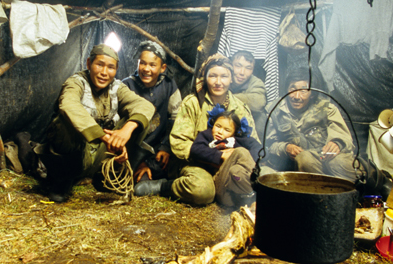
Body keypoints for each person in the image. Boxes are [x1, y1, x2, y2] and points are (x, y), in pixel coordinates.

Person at [136, 54, 258, 207]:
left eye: (224, 76)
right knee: (202, 191)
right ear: (205, 78)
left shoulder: (240, 108)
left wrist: (236, 157)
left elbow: (254, 143)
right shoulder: (193, 103)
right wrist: (216, 156)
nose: (218, 82)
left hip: (231, 165)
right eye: (213, 76)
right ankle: (165, 186)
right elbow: (179, 143)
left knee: (265, 177)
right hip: (196, 164)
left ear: (231, 78)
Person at [37, 44, 155, 202]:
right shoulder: (76, 82)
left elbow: (145, 106)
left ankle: (108, 174)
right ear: (88, 64)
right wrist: (105, 138)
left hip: (100, 153)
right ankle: (63, 180)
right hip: (75, 153)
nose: (104, 73)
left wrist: (127, 130)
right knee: (65, 121)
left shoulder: (117, 87)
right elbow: (68, 105)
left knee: (139, 120)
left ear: (116, 69)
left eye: (111, 67)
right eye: (99, 65)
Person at [264, 67, 357, 181]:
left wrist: (337, 143)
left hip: (326, 158)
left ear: (312, 94)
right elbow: (268, 144)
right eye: (292, 89)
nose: (297, 97)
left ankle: (368, 183)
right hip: (297, 164)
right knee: (304, 158)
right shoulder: (274, 110)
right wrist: (285, 148)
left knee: (339, 162)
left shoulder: (326, 108)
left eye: (303, 91)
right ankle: (320, 195)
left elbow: (345, 138)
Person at [122, 41, 182, 190]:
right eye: (142, 63)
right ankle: (142, 172)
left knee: (176, 161)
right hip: (133, 147)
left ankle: (159, 180)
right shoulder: (127, 85)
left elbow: (176, 119)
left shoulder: (169, 85)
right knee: (131, 178)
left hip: (158, 148)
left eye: (152, 65)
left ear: (162, 68)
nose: (146, 69)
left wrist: (166, 147)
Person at [189, 107, 261, 206]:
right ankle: (256, 194)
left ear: (234, 133)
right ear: (213, 124)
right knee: (240, 151)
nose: (220, 132)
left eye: (227, 130)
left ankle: (250, 196)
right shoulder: (207, 136)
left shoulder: (237, 140)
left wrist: (234, 157)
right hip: (221, 187)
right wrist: (221, 155)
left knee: (236, 169)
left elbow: (260, 150)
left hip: (233, 196)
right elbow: (196, 150)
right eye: (218, 126)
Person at [229, 51, 267, 139]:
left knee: (261, 117)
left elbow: (258, 103)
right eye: (238, 66)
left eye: (248, 68)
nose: (242, 72)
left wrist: (226, 97)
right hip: (222, 122)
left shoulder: (256, 82)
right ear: (230, 65)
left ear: (252, 70)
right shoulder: (223, 75)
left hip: (245, 125)